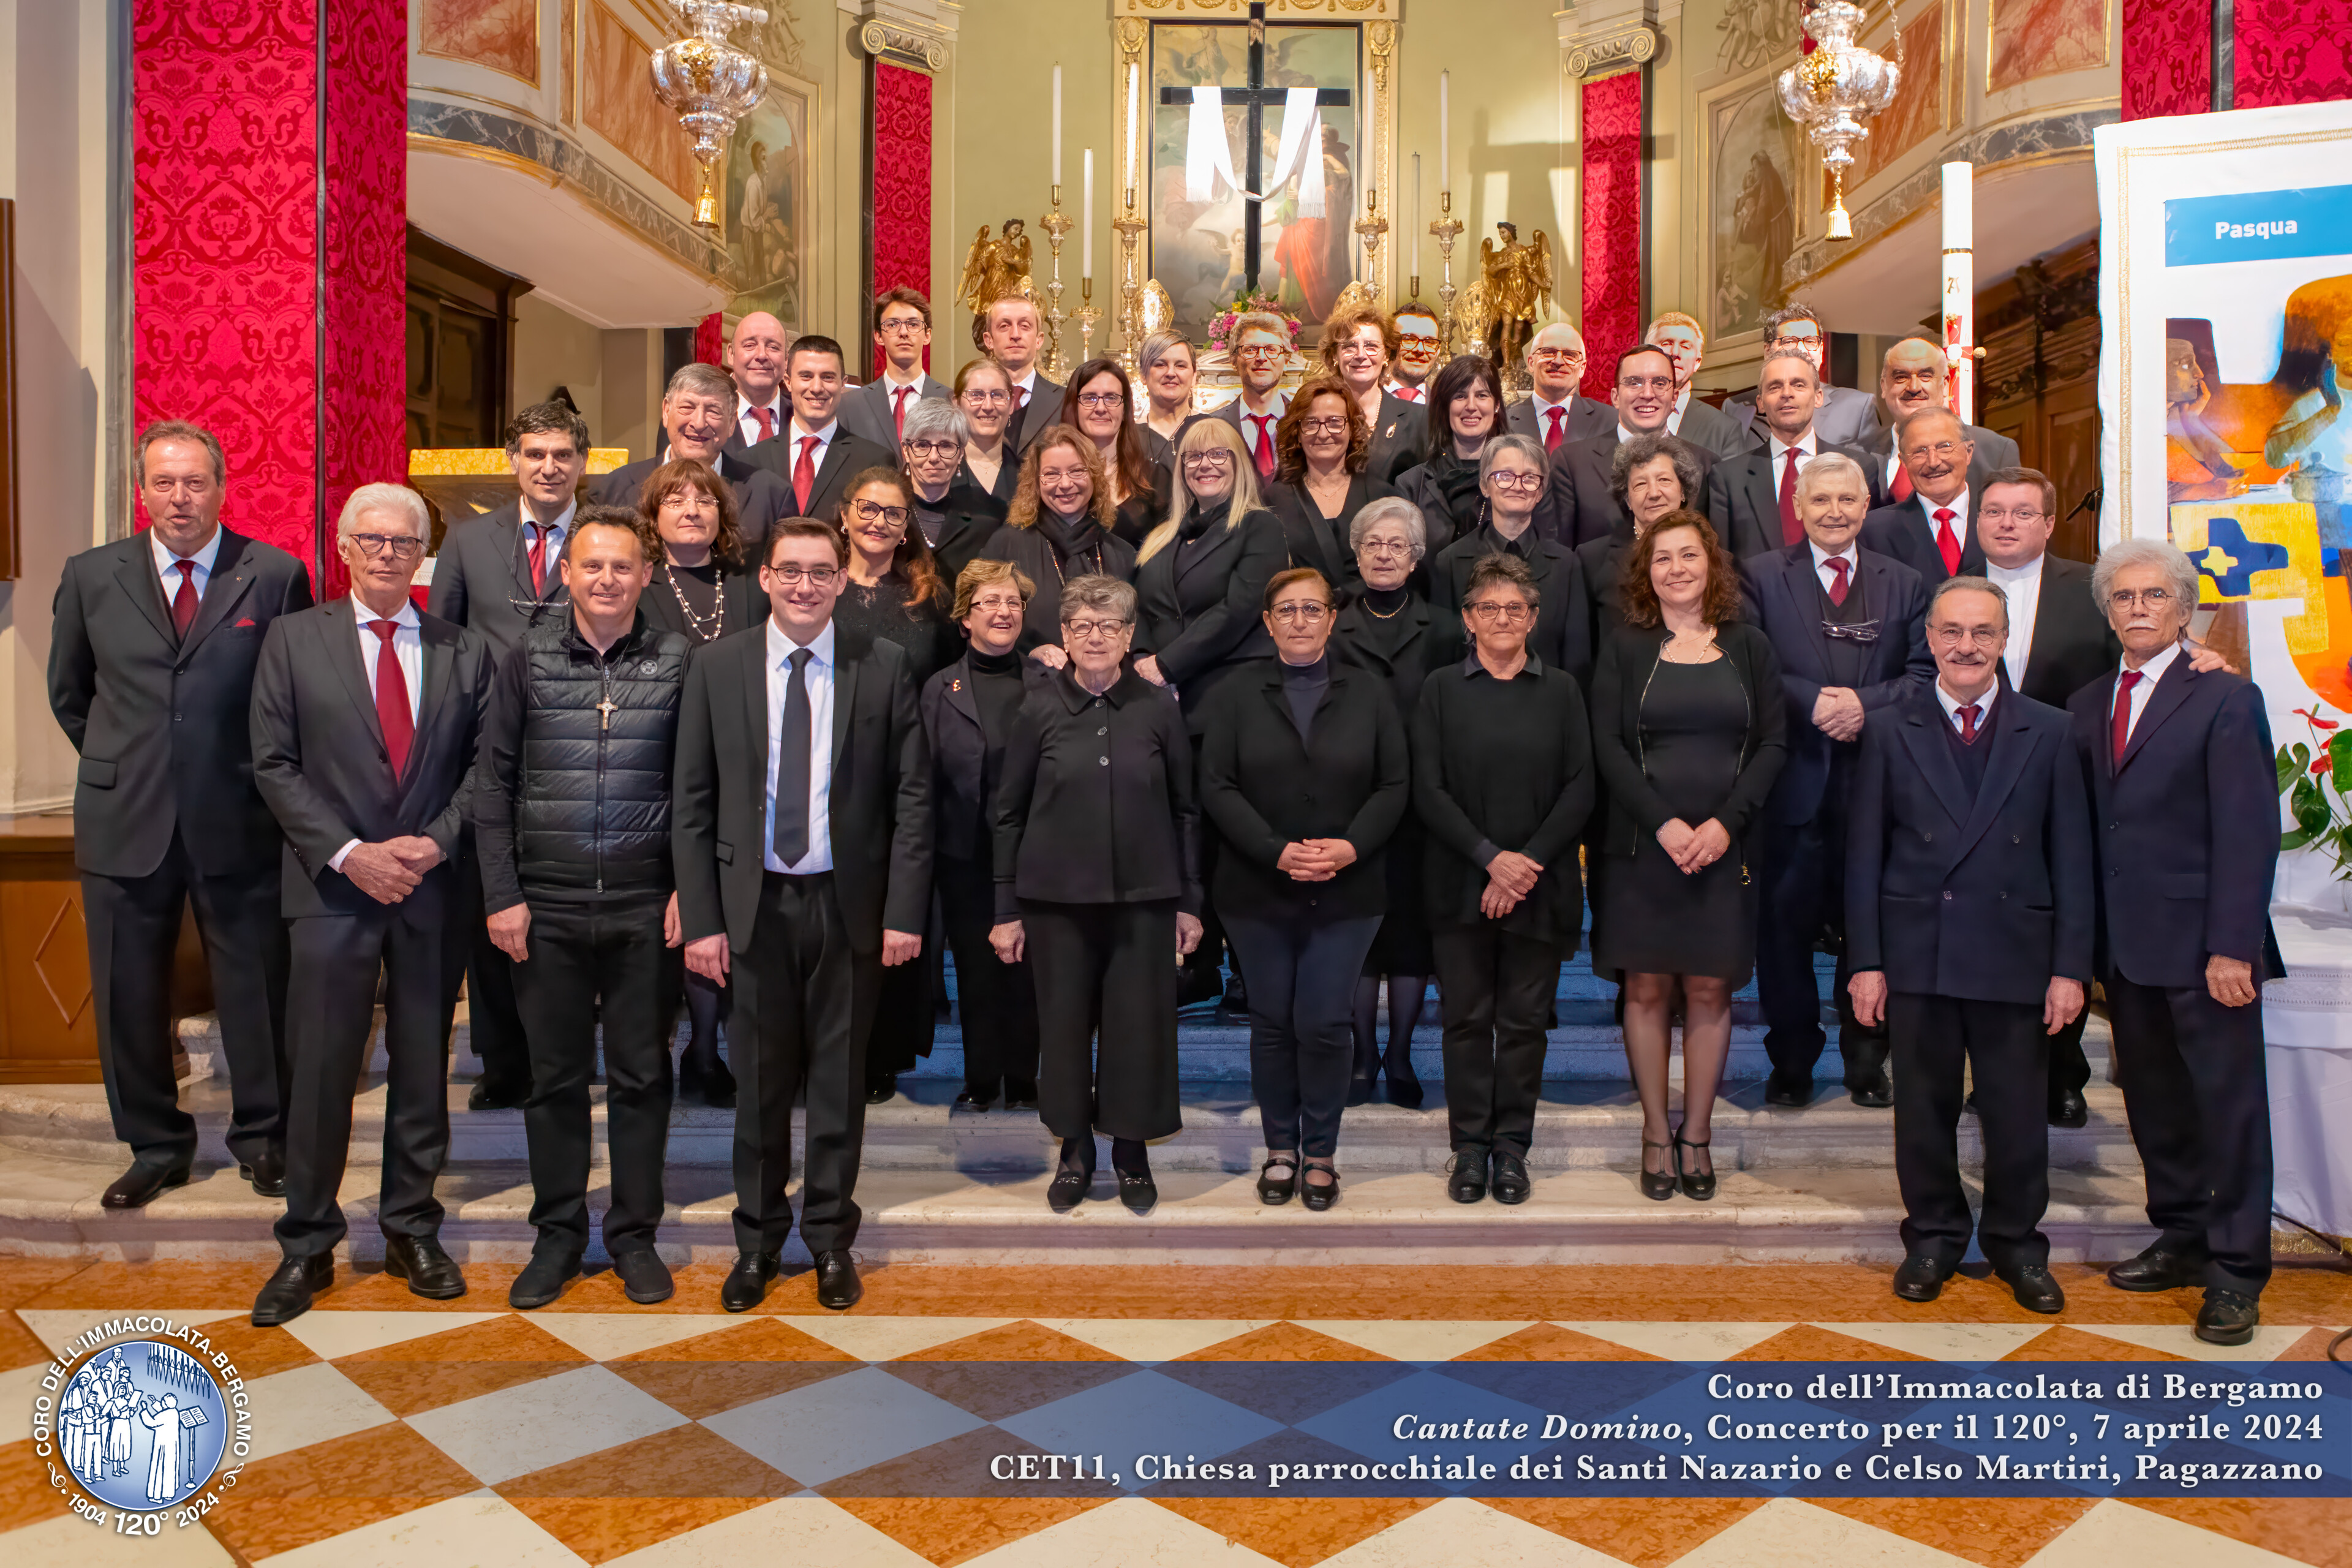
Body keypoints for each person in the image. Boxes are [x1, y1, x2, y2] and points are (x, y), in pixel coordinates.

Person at [48, 420, 312, 1210]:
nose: (180, 497)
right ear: (143, 490)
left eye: (195, 482)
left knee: (257, 989)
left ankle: (264, 1140)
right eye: (164, 482)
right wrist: (125, 763)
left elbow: (294, 698)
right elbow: (72, 695)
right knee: (128, 989)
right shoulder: (93, 575)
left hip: (238, 816)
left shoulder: (273, 574)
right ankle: (155, 1146)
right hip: (124, 819)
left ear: (222, 488)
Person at [247, 484, 493, 1326]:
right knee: (320, 1071)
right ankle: (307, 1242)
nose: (387, 553)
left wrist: (435, 843)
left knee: (422, 1068)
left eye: (404, 541)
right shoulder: (291, 641)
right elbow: (273, 764)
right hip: (332, 892)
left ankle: (410, 1227)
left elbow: (485, 769)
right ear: (345, 546)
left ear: (423, 553)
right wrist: (352, 855)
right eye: (371, 539)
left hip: (431, 889)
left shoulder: (466, 649)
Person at [673, 519, 933, 1314]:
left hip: (846, 907)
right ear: (765, 578)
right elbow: (691, 803)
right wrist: (705, 919)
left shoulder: (882, 666)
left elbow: (913, 800)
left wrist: (902, 910)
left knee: (837, 1086)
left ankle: (828, 1242)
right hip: (752, 909)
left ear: (840, 582)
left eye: (822, 572)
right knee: (756, 1086)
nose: (805, 585)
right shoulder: (717, 667)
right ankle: (755, 1243)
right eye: (790, 570)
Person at [1847, 576, 2091, 1314]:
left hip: (2016, 949)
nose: (1967, 646)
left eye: (1983, 632)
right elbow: (1863, 852)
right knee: (1921, 1107)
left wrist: (2070, 968)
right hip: (1918, 946)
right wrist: (1865, 959)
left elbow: (2072, 857)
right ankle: (1934, 1237)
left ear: (2004, 639)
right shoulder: (1891, 726)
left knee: (2017, 1111)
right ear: (1930, 640)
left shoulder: (2049, 729)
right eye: (1952, 631)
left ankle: (2018, 1244)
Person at [475, 507, 690, 1311]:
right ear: (566, 575)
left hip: (644, 908)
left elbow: (696, 790)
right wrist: (503, 894)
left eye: (622, 567)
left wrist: (686, 892)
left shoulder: (678, 660)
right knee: (554, 1079)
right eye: (591, 566)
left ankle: (634, 1236)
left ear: (646, 576)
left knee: (641, 1077)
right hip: (549, 908)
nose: (606, 580)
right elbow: (492, 785)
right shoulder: (525, 659)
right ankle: (559, 1236)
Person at [2068, 538, 2279, 1347]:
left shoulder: (2225, 699)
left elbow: (2248, 830)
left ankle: (2235, 1272)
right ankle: (2184, 1236)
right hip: (2127, 952)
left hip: (2206, 951)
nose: (2138, 610)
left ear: (2184, 609)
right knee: (2155, 1107)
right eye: (2123, 598)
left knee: (2226, 1112)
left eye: (2154, 597)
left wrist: (2233, 946)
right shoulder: (2089, 704)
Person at [1975, 467, 2224, 1123]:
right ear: (1977, 522)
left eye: (2023, 512)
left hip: (2072, 790)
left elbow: (2149, 636)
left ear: (2049, 523)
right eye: (1995, 510)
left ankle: (2063, 1073)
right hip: (1972, 794)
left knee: (2066, 936)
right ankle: (2000, 1069)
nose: (2007, 522)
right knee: (2000, 938)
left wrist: (2200, 654)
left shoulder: (2094, 588)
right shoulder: (1950, 589)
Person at [990, 574, 1202, 1213]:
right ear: (1063, 635)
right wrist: (1006, 908)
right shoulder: (1038, 709)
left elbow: (1187, 811)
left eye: (1109, 625)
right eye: (1081, 625)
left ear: (1130, 635)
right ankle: (1075, 1149)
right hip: (1056, 901)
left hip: (1146, 898)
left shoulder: (1159, 708)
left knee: (1138, 1029)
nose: (1095, 636)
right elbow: (1009, 813)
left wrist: (1190, 901)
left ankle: (1131, 1151)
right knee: (1063, 1027)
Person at [1591, 510, 1786, 1201]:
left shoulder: (1750, 645)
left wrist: (1725, 825)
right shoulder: (1624, 646)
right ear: (1647, 572)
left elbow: (1773, 745)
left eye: (1688, 556)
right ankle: (1653, 1130)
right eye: (1662, 558)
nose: (1676, 568)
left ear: (1712, 565)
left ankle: (1696, 1133)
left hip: (1724, 850)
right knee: (1645, 988)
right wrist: (1666, 824)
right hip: (1644, 848)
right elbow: (1607, 746)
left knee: (1709, 987)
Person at [1201, 568, 1409, 1211]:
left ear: (1330, 619)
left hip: (1348, 889)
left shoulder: (1370, 692)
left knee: (1322, 1021)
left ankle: (1320, 1152)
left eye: (1310, 608)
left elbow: (1394, 785)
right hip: (1256, 886)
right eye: (1285, 609)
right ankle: (1280, 1149)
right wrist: (1277, 851)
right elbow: (1217, 786)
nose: (1298, 619)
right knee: (1272, 1023)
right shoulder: (1236, 692)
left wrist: (1348, 847)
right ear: (1266, 622)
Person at [1738, 452, 1931, 1109]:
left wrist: (1863, 707)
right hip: (1792, 785)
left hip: (1879, 786)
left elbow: (1927, 674)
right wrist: (1811, 702)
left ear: (1866, 503)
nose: (1835, 512)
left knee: (1869, 928)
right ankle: (1791, 1058)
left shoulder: (1905, 582)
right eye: (1821, 500)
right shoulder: (1760, 576)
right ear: (1797, 504)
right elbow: (1749, 664)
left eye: (1848, 500)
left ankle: (1866, 1058)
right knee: (1783, 933)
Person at [1414, 553, 1594, 1205]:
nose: (1501, 618)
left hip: (1539, 885)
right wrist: (1491, 857)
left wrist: (1523, 865)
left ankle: (1513, 1147)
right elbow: (1427, 788)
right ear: (1467, 619)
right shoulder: (1440, 688)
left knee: (1522, 1022)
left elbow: (1581, 786)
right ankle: (1469, 1149)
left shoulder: (1563, 690)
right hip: (1461, 881)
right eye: (1487, 607)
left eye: (1514, 608)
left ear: (1534, 619)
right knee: (1465, 1020)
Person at [427, 401, 586, 1109]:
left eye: (561, 455)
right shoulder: (467, 540)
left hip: (583, 739)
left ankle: (568, 1047)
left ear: (582, 462)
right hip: (491, 744)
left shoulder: (609, 532)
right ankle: (501, 1059)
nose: (548, 467)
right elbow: (445, 643)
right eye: (535, 454)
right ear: (513, 462)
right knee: (491, 900)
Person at [1137, 418, 1287, 1009]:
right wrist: (1146, 661)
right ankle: (1196, 962)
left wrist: (1167, 664)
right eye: (1194, 458)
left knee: (1237, 837)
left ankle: (1250, 969)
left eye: (1218, 456)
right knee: (1188, 834)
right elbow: (1144, 608)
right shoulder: (1164, 536)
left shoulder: (1260, 527)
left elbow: (1241, 609)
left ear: (1240, 463)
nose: (1205, 465)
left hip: (1234, 700)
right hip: (1170, 705)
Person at [635, 460, 761, 1109]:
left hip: (737, 772)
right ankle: (667, 1050)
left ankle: (708, 1049)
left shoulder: (747, 584)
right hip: (654, 774)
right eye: (676, 500)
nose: (692, 509)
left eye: (705, 499)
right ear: (653, 517)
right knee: (670, 919)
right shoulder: (638, 584)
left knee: (721, 913)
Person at [832, 467, 955, 1099]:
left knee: (896, 916)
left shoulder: (928, 594)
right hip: (828, 775)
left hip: (908, 772)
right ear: (846, 514)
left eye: (894, 514)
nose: (880, 523)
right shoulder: (818, 587)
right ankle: (832, 1049)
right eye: (869, 509)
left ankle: (882, 1053)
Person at [922, 560, 1047, 1112]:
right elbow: (921, 776)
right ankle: (981, 1079)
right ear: (965, 617)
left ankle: (1024, 1079)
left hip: (1036, 854)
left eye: (1013, 603)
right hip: (965, 855)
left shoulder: (1048, 682)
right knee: (975, 970)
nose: (1003, 612)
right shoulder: (939, 688)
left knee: (1028, 972)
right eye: (990, 602)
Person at [1332, 498, 1439, 1107]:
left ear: (1417, 557)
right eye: (1373, 543)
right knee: (1359, 932)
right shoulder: (1331, 622)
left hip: (1422, 806)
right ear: (1356, 551)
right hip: (1351, 803)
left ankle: (1398, 1053)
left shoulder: (1446, 628)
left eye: (1397, 545)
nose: (1383, 554)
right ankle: (1362, 1051)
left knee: (1408, 936)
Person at [1426, 434, 1591, 679]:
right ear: (1485, 486)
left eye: (1529, 478)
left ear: (1540, 492)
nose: (1517, 486)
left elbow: (1577, 659)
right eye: (1505, 476)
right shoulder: (1450, 561)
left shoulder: (1567, 565)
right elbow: (1443, 655)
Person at [1700, 348, 1877, 560]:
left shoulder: (1861, 468)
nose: (1786, 393)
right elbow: (1722, 566)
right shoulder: (1727, 478)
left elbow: (1870, 555)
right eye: (1775, 387)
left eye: (1799, 384)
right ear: (1761, 403)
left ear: (1818, 397)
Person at [594, 363, 796, 545]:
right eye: (687, 407)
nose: (699, 423)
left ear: (732, 422)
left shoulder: (772, 495)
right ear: (666, 412)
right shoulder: (614, 489)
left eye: (714, 411)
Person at [1545, 345, 1721, 550]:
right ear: (1615, 397)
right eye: (1634, 382)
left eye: (1660, 383)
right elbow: (1558, 555)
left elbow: (1715, 553)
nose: (1647, 394)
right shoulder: (1571, 463)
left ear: (1674, 398)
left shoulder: (1707, 465)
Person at [984, 426, 1139, 656]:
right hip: (1028, 682)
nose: (1065, 484)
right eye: (1052, 474)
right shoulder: (1005, 546)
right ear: (1035, 482)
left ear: (1095, 476)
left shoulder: (1123, 554)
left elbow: (1137, 635)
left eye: (1077, 471)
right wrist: (1028, 655)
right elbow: (979, 627)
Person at [1264, 374, 1398, 590]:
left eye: (1335, 422)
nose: (1323, 433)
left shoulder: (1383, 498)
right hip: (1304, 618)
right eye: (1311, 423)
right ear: (1297, 433)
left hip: (1370, 618)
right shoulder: (1274, 500)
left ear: (1352, 429)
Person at [742, 334, 895, 521]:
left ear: (843, 384)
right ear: (788, 382)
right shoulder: (750, 461)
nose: (816, 387)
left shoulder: (874, 461)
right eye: (806, 376)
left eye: (828, 377)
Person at [1856, 336, 2020, 502]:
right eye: (1901, 377)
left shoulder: (1995, 450)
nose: (1914, 388)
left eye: (1925, 375)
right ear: (1884, 386)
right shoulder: (1859, 452)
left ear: (1945, 385)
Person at [1578, 433, 1707, 641]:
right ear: (1628, 499)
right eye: (1640, 484)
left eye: (1664, 480)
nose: (1654, 493)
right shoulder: (1591, 559)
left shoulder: (1713, 555)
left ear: (1683, 491)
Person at [1394, 354, 1506, 552]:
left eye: (1482, 395)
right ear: (1445, 406)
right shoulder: (1411, 484)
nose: (1471, 406)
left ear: (1496, 405)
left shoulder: (1517, 480)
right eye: (1460, 396)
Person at [1723, 303, 1875, 444]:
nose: (1802, 350)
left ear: (1821, 351)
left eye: (1810, 341)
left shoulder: (1858, 407)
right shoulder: (1735, 408)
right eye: (1789, 341)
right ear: (1768, 351)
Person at [1861, 408, 1983, 582]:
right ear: (1904, 462)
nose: (1933, 462)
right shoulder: (1872, 532)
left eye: (1945, 447)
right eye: (1919, 451)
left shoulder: (2003, 519)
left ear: (1968, 452)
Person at [1066, 356, 1170, 547]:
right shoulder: (1055, 477)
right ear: (1074, 407)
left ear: (1125, 409)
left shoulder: (1155, 478)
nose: (1100, 408)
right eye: (1089, 398)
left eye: (1111, 398)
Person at [900, 397, 1006, 585]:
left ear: (960, 454)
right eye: (922, 445)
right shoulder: (885, 510)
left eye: (946, 446)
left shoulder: (989, 517)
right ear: (906, 452)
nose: (934, 457)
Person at [1321, 302, 1429, 483]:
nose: (1361, 355)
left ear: (1386, 355)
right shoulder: (1316, 415)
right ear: (1334, 356)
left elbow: (1427, 487)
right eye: (1349, 346)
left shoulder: (1419, 419)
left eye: (1371, 346)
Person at [839, 287, 949, 447]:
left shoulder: (950, 401)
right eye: (892, 325)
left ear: (927, 335)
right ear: (878, 336)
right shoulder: (851, 405)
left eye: (913, 324)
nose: (903, 332)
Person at [1198, 312, 1294, 484]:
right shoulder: (1214, 426)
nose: (1262, 358)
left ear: (1286, 359)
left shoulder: (1305, 421)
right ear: (1234, 360)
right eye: (1250, 350)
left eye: (1272, 349)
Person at [1645, 311, 1749, 461]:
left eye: (1686, 346)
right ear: (1646, 352)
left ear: (1698, 362)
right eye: (1666, 344)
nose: (1675, 353)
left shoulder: (1724, 430)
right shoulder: (1625, 419)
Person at [1504, 322, 1610, 453]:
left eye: (1570, 355)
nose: (1558, 361)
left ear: (1582, 368)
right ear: (1531, 363)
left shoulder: (1610, 422)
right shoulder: (1504, 423)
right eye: (1548, 352)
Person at [984, 295, 1065, 449]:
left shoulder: (1066, 401)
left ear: (1039, 340)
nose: (1015, 334)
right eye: (1004, 326)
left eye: (1025, 326)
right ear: (989, 340)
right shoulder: (970, 402)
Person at [953, 358, 1022, 504]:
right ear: (957, 404)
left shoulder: (1027, 475)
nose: (988, 406)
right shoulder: (938, 469)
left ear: (1011, 405)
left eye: (997, 395)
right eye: (976, 395)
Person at [723, 311, 792, 452]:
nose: (761, 355)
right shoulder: (697, 413)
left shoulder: (805, 415)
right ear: (731, 354)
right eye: (749, 345)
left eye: (773, 347)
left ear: (786, 359)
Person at [1137, 330, 1199, 458]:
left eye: (1181, 366)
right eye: (1160, 365)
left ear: (1194, 376)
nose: (1171, 373)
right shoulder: (1127, 438)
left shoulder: (1213, 431)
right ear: (1143, 374)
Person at [1386, 304, 1443, 402]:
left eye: (1429, 342)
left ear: (1438, 352)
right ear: (1389, 345)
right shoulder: (1362, 402)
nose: (1420, 350)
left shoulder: (1445, 410)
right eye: (1409, 339)